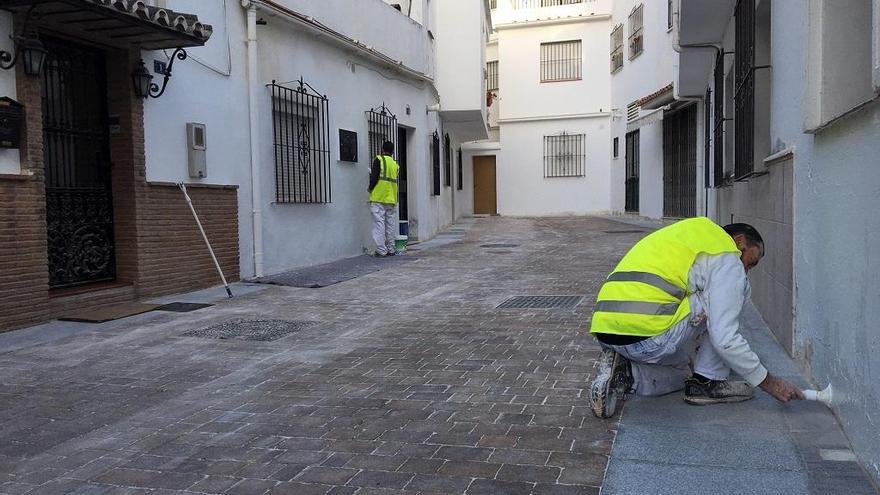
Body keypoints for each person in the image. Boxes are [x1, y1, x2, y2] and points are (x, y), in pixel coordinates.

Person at [589, 217, 804, 418]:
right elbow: (724, 338)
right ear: (739, 242)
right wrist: (769, 382)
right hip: (646, 337)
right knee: (725, 298)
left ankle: (625, 374)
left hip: (606, 330)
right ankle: (709, 381)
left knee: (682, 371)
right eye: (751, 262)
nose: (746, 270)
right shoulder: (727, 256)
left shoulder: (691, 235)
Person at [368, 141, 400, 257]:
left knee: (379, 224)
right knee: (390, 224)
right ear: (392, 151)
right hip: (391, 198)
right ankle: (391, 248)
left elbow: (374, 177)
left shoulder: (379, 160)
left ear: (382, 149)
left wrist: (370, 188)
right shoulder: (395, 165)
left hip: (379, 197)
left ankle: (381, 250)